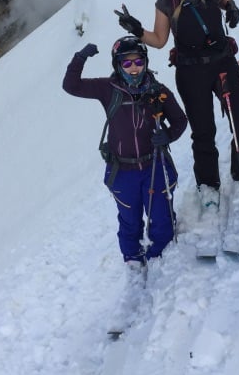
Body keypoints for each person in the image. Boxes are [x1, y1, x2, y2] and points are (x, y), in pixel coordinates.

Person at [114, 0, 239, 218]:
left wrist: (232, 8)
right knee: (203, 131)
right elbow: (159, 40)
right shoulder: (167, 1)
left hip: (222, 61)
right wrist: (137, 30)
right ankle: (208, 185)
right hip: (192, 71)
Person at [63, 36, 188, 271]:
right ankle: (132, 258)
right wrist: (79, 58)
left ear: (146, 62)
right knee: (129, 219)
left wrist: (168, 136)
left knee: (161, 217)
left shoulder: (158, 91)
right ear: (118, 65)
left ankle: (160, 255)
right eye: (127, 63)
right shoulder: (108, 89)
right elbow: (71, 86)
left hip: (154, 166)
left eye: (138, 62)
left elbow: (180, 120)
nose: (134, 68)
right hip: (123, 170)